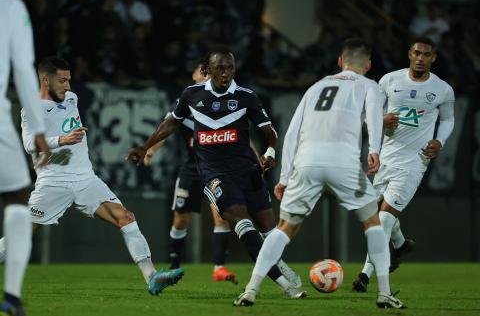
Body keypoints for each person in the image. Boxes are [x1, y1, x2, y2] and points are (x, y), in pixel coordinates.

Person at [234, 38, 406, 309]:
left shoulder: (316, 87)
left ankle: (250, 290)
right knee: (373, 223)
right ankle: (384, 294)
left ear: (340, 61)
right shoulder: (369, 85)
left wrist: (284, 177)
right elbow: (374, 117)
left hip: (307, 162)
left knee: (284, 229)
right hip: (344, 163)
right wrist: (374, 149)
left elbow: (292, 132)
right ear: (369, 64)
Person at [126, 46, 304, 298]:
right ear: (208, 70)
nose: (225, 73)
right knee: (241, 223)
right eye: (220, 68)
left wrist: (270, 153)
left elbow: (269, 133)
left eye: (229, 67)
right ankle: (284, 287)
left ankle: (279, 264)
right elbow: (171, 123)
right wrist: (145, 147)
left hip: (247, 171)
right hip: (214, 173)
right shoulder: (192, 95)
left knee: (269, 230)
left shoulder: (246, 96)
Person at [0, 56, 184, 297]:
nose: (67, 86)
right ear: (45, 80)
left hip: (86, 179)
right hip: (53, 182)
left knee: (125, 217)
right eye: (62, 81)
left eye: (69, 80)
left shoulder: (72, 98)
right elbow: (28, 144)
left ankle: (152, 277)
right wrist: (61, 140)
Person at [353, 37, 455, 292]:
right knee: (372, 213)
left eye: (427, 54)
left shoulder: (442, 89)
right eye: (417, 53)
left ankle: (365, 275)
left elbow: (448, 120)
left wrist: (439, 142)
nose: (421, 58)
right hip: (387, 157)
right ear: (409, 54)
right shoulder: (389, 80)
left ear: (433, 58)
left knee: (383, 219)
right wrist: (381, 119)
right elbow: (369, 113)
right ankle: (400, 246)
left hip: (414, 162)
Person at [144, 57, 238, 283]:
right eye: (202, 70)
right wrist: (150, 149)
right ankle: (174, 266)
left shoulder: (225, 101)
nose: (206, 74)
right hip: (190, 170)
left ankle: (219, 268)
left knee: (221, 216)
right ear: (195, 76)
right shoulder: (185, 101)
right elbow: (166, 128)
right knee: (180, 220)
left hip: (216, 169)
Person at [0, 0, 50, 315]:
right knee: (18, 198)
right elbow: (22, 68)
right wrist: (40, 127)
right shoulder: (11, 6)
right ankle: (12, 295)